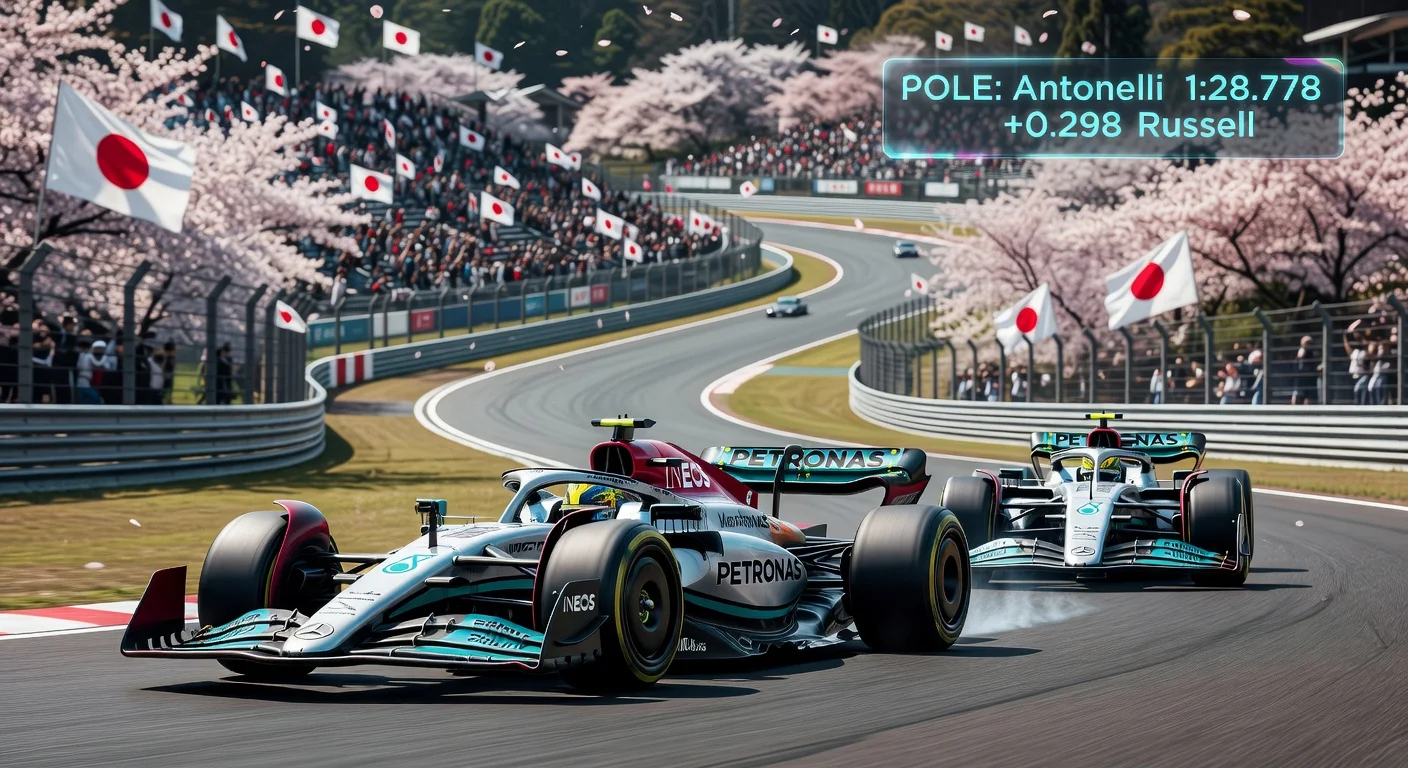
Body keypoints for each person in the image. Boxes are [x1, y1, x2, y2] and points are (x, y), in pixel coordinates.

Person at [1292, 335, 1318, 405]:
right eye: (1307, 343)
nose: (1309, 344)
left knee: (1308, 398)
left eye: (1310, 343)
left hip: (1310, 379)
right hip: (1300, 379)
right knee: (1297, 396)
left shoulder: (1313, 353)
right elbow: (1299, 358)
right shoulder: (1301, 351)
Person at [75, 339, 103, 404]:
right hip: (84, 379)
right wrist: (104, 357)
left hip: (83, 379)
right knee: (94, 396)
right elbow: (98, 363)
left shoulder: (80, 355)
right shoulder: (88, 355)